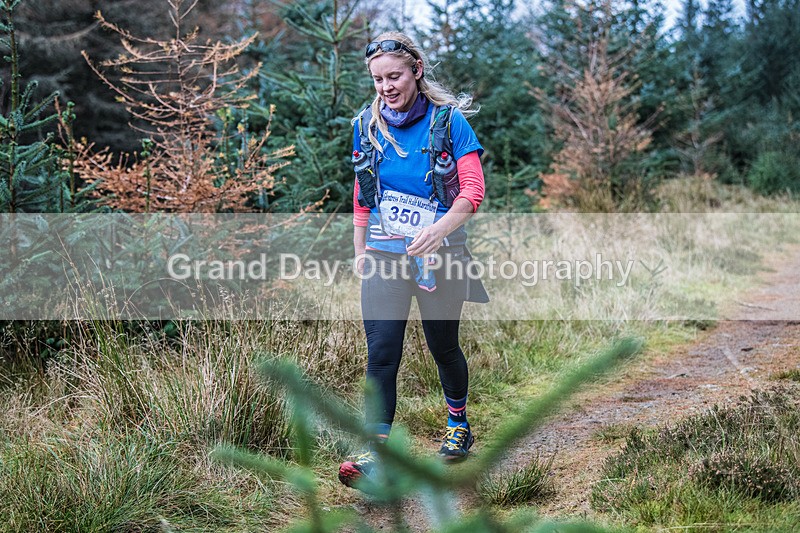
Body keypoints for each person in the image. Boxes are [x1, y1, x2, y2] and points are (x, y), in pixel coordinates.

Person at [338, 32, 487, 489]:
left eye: (394, 76)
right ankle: (374, 452)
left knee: (443, 346)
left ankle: (458, 424)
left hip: (441, 256)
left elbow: (472, 192)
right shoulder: (366, 124)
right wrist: (360, 251)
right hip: (384, 254)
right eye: (378, 79)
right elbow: (365, 195)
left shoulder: (448, 122)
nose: (385, 86)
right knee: (381, 354)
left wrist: (438, 231)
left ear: (416, 71)